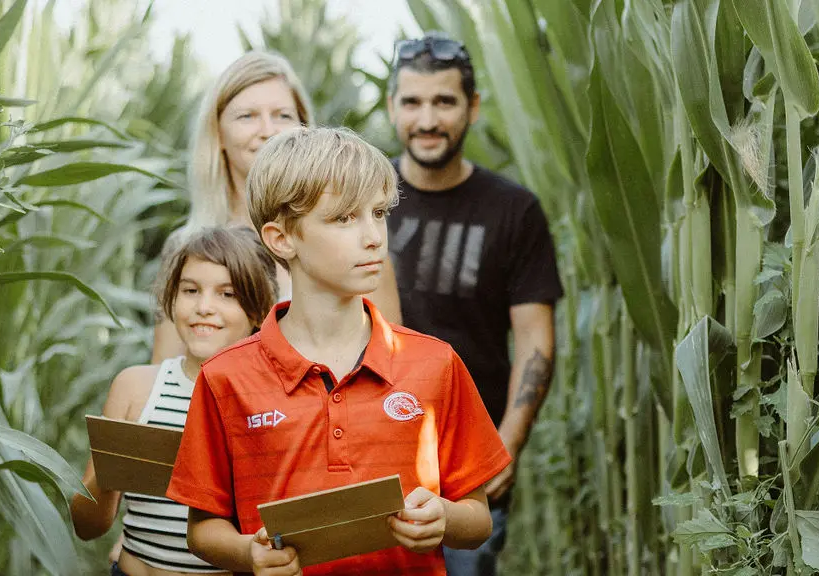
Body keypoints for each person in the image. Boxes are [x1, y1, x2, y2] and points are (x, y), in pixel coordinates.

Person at [165, 126, 512, 575]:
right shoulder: (225, 377)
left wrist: (444, 518)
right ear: (281, 239)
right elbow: (202, 527)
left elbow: (478, 517)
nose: (373, 237)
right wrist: (248, 554)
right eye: (344, 218)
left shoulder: (435, 363)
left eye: (378, 213)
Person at [385, 32, 564, 575]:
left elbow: (535, 337)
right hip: (375, 457)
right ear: (392, 106)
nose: (427, 119)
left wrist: (506, 446)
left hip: (469, 465)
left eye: (444, 101)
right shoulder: (363, 198)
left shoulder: (513, 210)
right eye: (412, 102)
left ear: (473, 107)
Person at [152, 51, 401, 363]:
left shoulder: (359, 249)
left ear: (304, 128)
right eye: (247, 116)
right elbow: (164, 371)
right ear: (218, 135)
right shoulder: (186, 247)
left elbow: (394, 368)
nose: (268, 130)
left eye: (283, 115)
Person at [70, 226, 279, 576]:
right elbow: (86, 526)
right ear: (172, 299)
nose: (204, 307)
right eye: (190, 290)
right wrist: (112, 471)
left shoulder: (271, 402)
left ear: (258, 311)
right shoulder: (135, 387)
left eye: (227, 294)